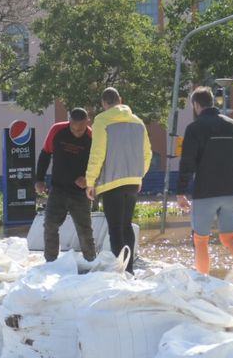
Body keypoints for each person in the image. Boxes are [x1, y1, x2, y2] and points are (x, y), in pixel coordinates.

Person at [176, 86, 233, 295]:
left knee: (201, 239)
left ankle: (202, 285)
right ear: (213, 102)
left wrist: (180, 191)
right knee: (230, 237)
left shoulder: (195, 128)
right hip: (232, 191)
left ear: (196, 105)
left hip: (206, 191)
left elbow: (187, 162)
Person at [85, 87, 152, 274]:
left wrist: (90, 181)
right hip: (132, 181)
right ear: (120, 100)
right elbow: (147, 153)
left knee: (115, 228)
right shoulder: (138, 122)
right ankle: (129, 269)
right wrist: (140, 175)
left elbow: (97, 153)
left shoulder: (101, 121)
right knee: (126, 225)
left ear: (104, 103)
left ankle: (122, 270)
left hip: (111, 182)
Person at [35, 107, 97, 263]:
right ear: (69, 121)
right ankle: (51, 261)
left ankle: (90, 261)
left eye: (81, 128)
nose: (77, 132)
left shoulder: (92, 137)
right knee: (50, 225)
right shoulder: (57, 130)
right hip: (58, 189)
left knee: (84, 230)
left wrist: (88, 180)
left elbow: (98, 164)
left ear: (86, 123)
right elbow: (45, 154)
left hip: (80, 193)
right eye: (74, 128)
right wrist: (39, 179)